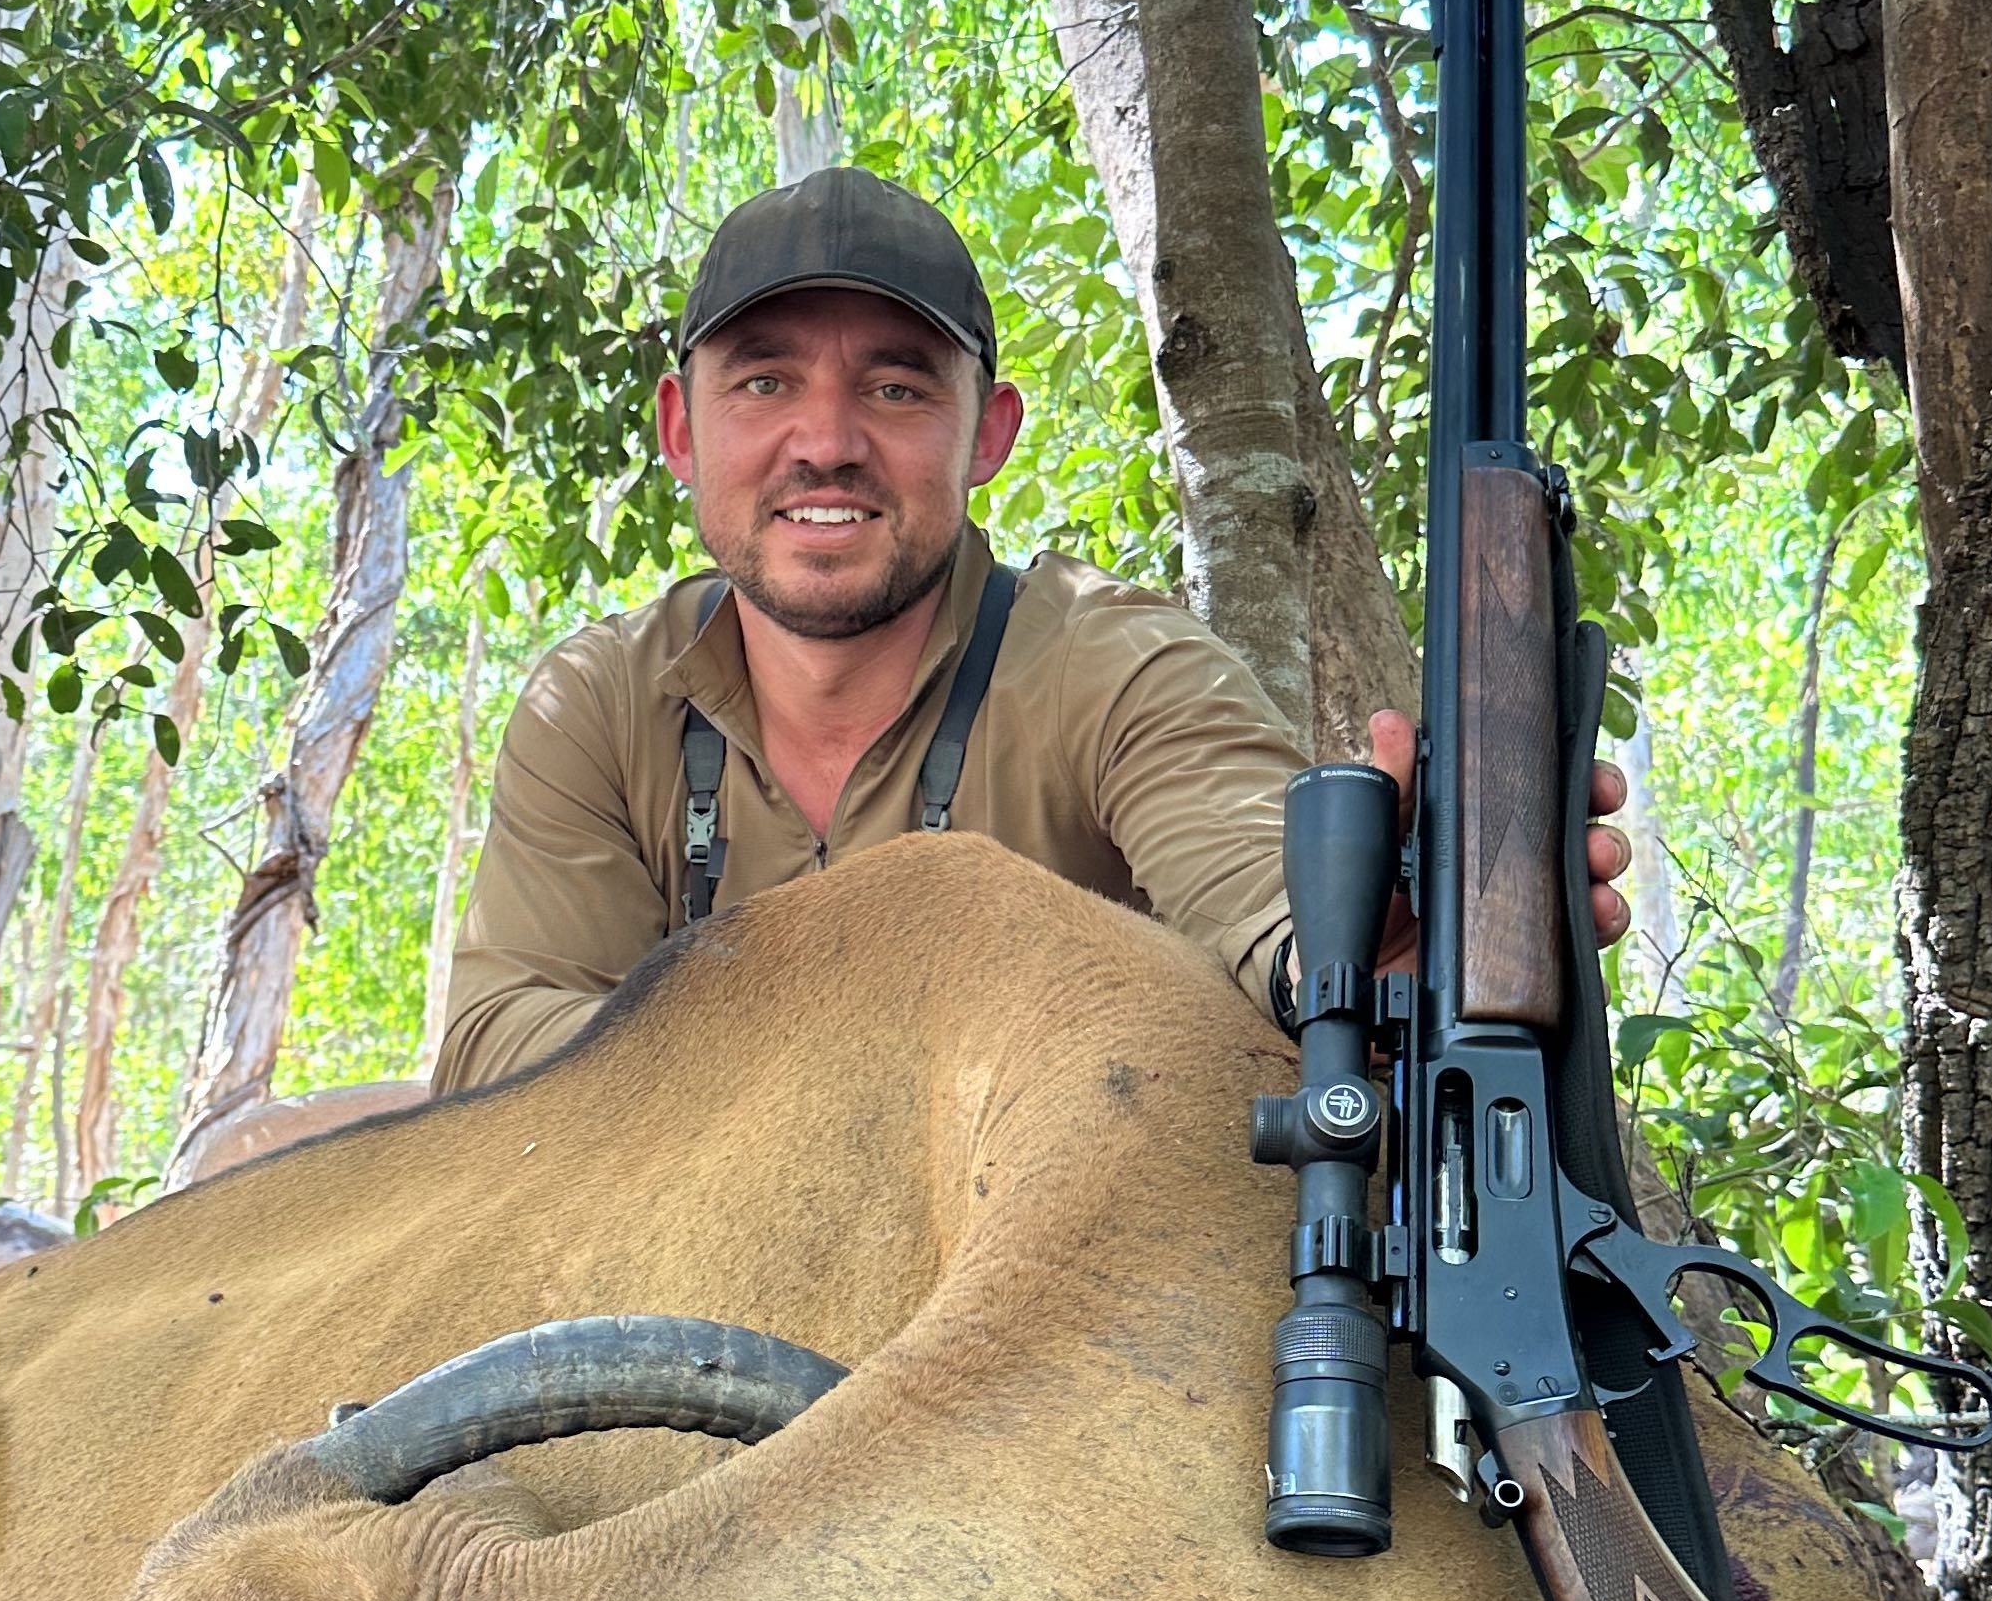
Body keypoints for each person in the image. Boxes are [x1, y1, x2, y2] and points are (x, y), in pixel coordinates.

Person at [432, 166, 1627, 1095]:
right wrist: (853, 1028)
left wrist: (1362, 952)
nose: (828, 441)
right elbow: (492, 1045)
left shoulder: (1114, 666)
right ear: (682, 431)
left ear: (989, 434)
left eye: (898, 388)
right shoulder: (595, 704)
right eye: (765, 383)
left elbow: (1266, 899)